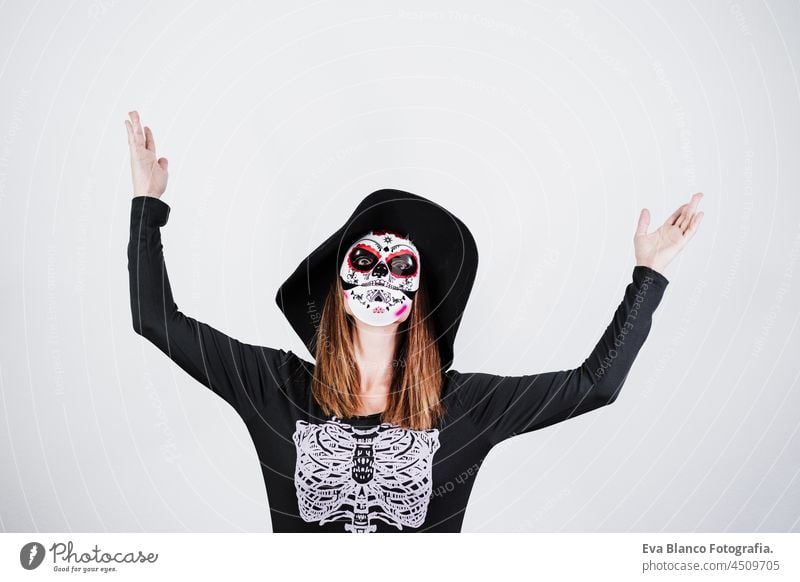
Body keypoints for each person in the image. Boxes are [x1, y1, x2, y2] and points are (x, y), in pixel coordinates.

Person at [125, 110, 704, 532]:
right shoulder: (274, 388)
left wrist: (647, 275)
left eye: (401, 266)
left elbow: (594, 385)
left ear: (417, 296)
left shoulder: (464, 408)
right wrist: (147, 207)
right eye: (365, 260)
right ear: (339, 293)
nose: (381, 275)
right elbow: (155, 319)